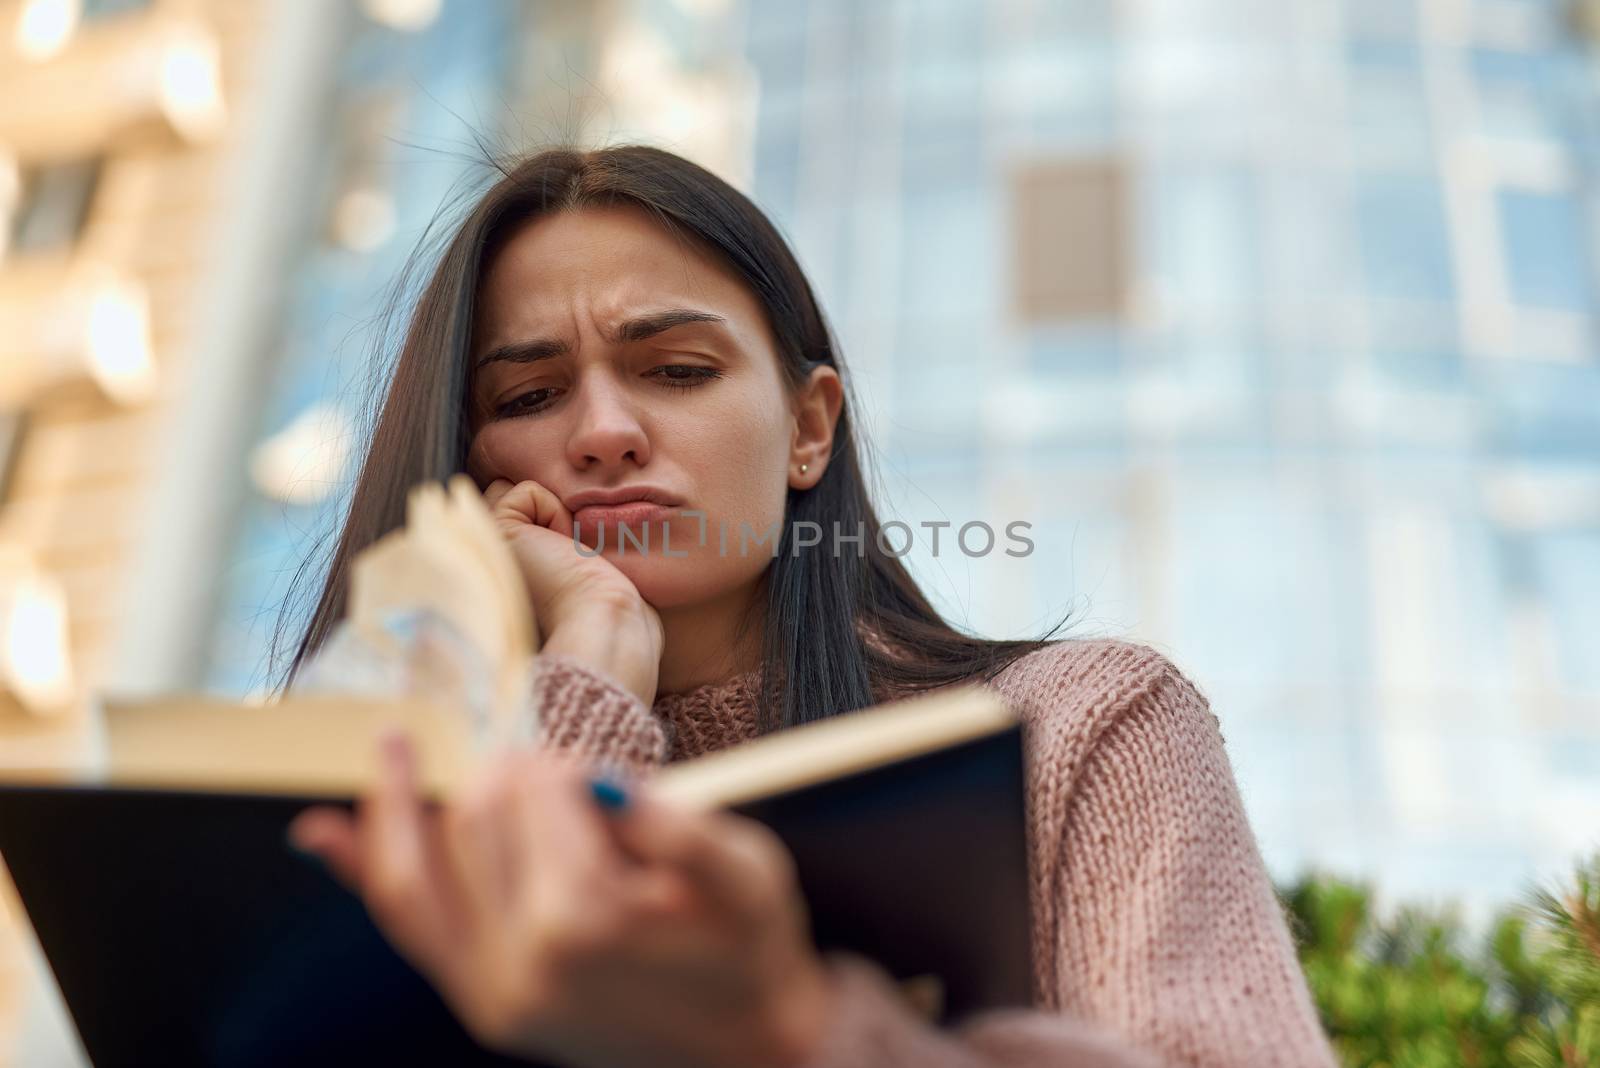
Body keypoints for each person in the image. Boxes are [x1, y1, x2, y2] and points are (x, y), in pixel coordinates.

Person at [283, 145, 1337, 1068]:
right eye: (527, 397)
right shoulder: (367, 816)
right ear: (465, 472)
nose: (604, 430)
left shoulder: (1082, 725)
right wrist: (591, 661)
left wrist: (794, 1031)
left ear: (807, 428)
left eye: (677, 369)